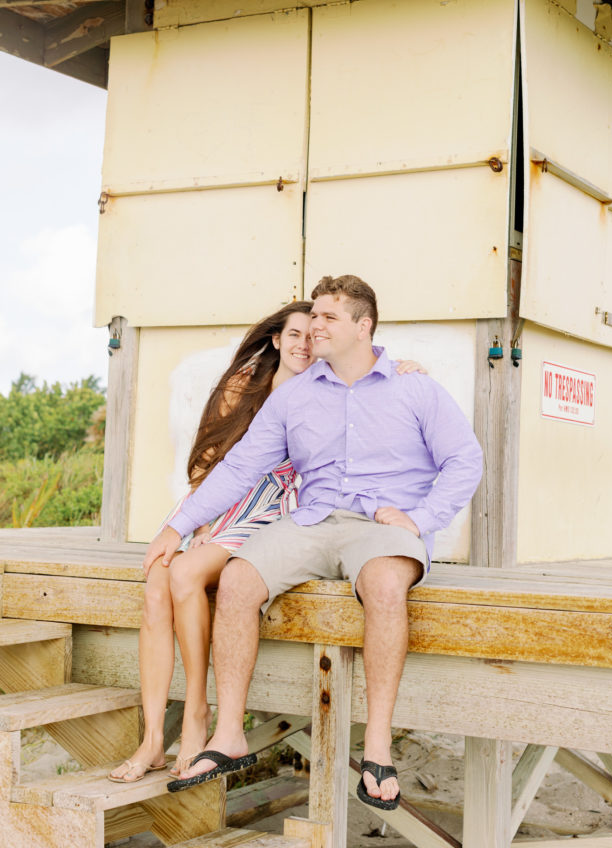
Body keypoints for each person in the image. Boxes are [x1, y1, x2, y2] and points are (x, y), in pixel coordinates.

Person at [144, 275, 482, 809]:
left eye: (327, 317)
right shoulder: (295, 396)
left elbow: (465, 460)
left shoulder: (414, 388)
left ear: (362, 326)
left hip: (382, 526)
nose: (314, 327)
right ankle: (229, 735)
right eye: (314, 316)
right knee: (236, 580)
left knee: (385, 585)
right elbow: (238, 469)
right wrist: (177, 525)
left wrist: (421, 520)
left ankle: (376, 747)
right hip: (312, 520)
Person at [109, 298, 425, 784]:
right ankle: (154, 736)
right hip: (228, 499)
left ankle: (197, 716)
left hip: (279, 505)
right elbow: (218, 463)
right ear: (276, 340)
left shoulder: (326, 385)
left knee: (187, 574)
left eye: (312, 333)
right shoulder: (246, 388)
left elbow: (369, 383)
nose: (305, 342)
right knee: (156, 581)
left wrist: (407, 368)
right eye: (294, 334)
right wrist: (190, 522)